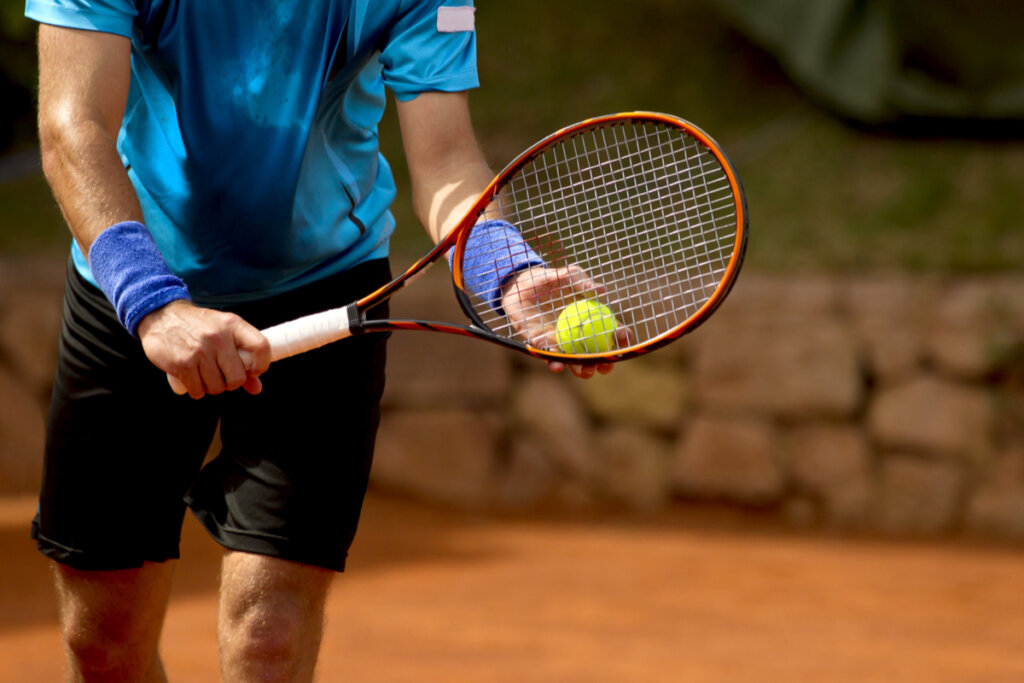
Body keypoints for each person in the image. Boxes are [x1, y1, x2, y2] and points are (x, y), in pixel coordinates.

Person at [27, 1, 614, 681]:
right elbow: (72, 126)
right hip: (130, 284)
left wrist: (508, 272)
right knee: (101, 641)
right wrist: (154, 304)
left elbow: (448, 162)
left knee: (269, 635)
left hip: (325, 288)